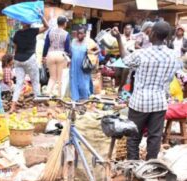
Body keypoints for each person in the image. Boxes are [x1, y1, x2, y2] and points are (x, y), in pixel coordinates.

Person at [112, 21, 181, 160]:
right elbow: (178, 75)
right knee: (155, 138)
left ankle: (132, 168)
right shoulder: (173, 56)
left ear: (153, 34)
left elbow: (125, 60)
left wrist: (119, 38)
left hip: (139, 103)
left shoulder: (142, 54)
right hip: (160, 103)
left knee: (133, 137)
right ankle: (151, 168)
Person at [10, 13, 49, 113]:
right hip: (30, 59)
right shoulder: (33, 31)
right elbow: (46, 26)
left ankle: (12, 106)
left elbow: (15, 48)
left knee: (18, 84)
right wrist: (41, 16)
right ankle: (38, 106)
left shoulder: (17, 33)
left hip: (18, 59)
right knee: (35, 82)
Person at [42, 16, 71, 97]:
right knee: (60, 79)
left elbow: (46, 45)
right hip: (61, 55)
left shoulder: (50, 32)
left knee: (52, 78)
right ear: (64, 24)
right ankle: (59, 97)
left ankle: (47, 94)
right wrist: (69, 57)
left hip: (50, 55)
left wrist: (43, 56)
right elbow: (67, 48)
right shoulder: (66, 34)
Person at [70, 25, 98, 101]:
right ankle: (75, 100)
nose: (79, 35)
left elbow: (97, 50)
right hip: (74, 67)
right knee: (74, 83)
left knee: (84, 85)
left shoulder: (89, 42)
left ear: (85, 34)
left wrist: (91, 54)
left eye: (81, 33)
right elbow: (70, 53)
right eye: (78, 33)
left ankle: (84, 99)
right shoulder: (73, 41)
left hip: (84, 67)